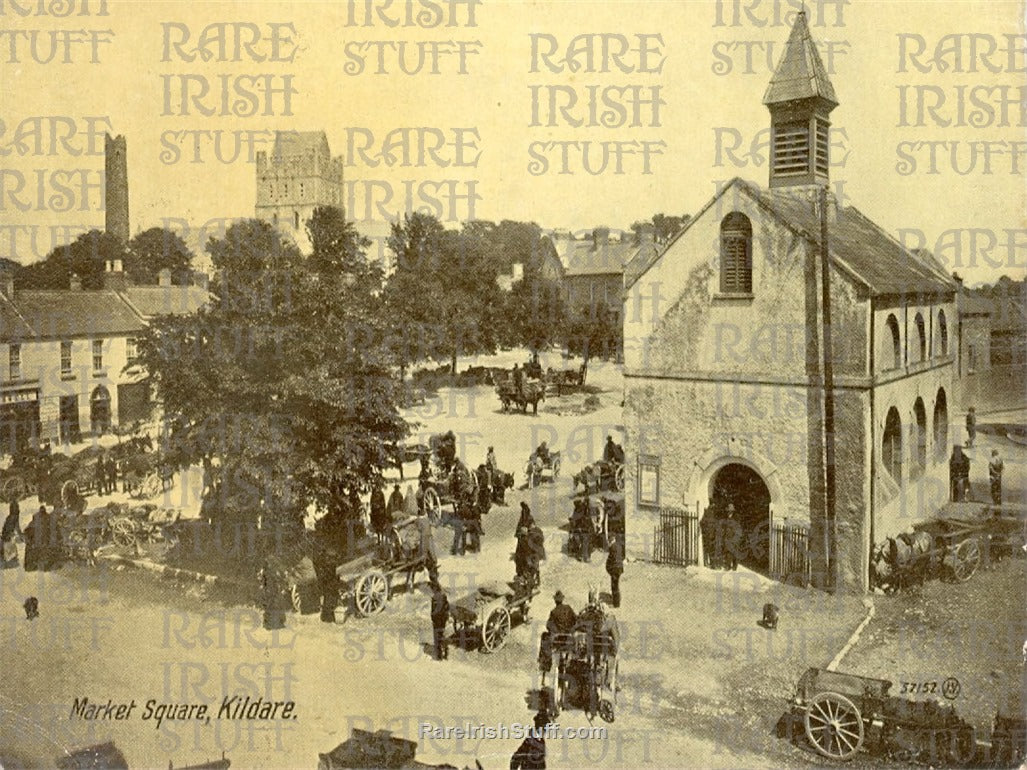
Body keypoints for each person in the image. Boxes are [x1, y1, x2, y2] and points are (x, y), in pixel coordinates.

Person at [410, 509, 439, 589]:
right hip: (426, 546)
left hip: (421, 546)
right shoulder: (427, 521)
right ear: (425, 514)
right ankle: (434, 582)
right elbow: (436, 524)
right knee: (432, 562)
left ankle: (411, 583)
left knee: (416, 566)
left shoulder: (417, 521)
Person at [429, 580, 450, 661]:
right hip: (443, 619)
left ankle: (439, 657)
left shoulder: (434, 598)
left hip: (437, 620)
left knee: (437, 638)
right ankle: (445, 654)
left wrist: (433, 618)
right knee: (441, 635)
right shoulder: (444, 596)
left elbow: (433, 611)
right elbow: (447, 607)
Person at [2, 497, 22, 568]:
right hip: (8, 537)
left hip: (6, 536)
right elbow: (17, 528)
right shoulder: (15, 517)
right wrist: (20, 535)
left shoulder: (9, 517)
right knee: (11, 551)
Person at [606, 535, 624, 608]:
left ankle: (616, 604)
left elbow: (611, 558)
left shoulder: (612, 547)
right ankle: (617, 599)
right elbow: (622, 556)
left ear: (611, 540)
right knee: (617, 585)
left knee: (614, 586)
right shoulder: (619, 546)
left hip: (615, 569)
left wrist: (608, 567)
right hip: (620, 568)